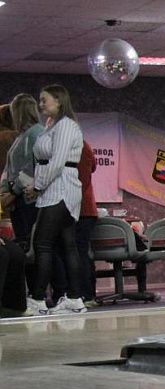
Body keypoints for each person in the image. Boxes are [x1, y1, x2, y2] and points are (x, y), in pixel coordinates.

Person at [25, 85, 86, 315]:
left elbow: (58, 161)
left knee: (42, 244)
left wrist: (38, 186)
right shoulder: (52, 126)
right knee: (66, 244)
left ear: (59, 101)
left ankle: (39, 298)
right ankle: (74, 297)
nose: (41, 105)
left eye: (44, 100)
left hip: (61, 189)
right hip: (52, 189)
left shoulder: (67, 126)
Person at [1, 95, 43, 257]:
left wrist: (12, 192)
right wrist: (4, 191)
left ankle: (37, 283)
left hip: (28, 200)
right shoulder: (21, 137)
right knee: (23, 246)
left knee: (31, 248)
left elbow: (32, 169)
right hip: (18, 200)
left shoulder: (35, 134)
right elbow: (8, 168)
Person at [75, 140, 98, 303]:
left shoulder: (81, 147)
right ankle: (86, 293)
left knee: (80, 252)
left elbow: (81, 181)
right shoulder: (85, 146)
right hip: (84, 208)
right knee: (81, 252)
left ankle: (86, 293)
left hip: (80, 209)